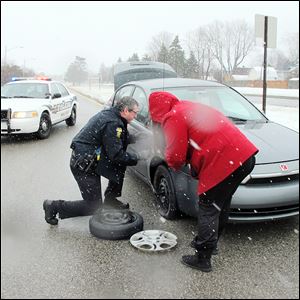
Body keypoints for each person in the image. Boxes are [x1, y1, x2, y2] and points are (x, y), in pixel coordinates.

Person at [149, 91, 258, 272]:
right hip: (244, 158)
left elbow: (176, 156)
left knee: (208, 206)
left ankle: (203, 258)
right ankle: (211, 244)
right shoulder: (187, 106)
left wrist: (169, 159)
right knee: (220, 204)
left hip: (224, 162)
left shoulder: (172, 116)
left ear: (155, 110)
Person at [43, 96, 148, 225]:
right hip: (83, 164)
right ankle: (53, 206)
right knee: (93, 206)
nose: (136, 116)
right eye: (135, 112)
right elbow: (116, 154)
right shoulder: (113, 122)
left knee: (119, 165)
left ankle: (110, 199)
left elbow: (115, 138)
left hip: (91, 157)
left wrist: (135, 137)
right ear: (126, 110)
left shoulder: (113, 115)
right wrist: (139, 156)